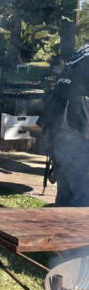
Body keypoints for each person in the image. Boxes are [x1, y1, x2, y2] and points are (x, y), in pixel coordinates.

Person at [39, 45, 89, 206]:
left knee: (66, 188)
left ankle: (60, 225)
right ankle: (78, 229)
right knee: (82, 190)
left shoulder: (83, 51)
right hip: (75, 124)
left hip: (58, 122)